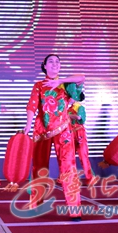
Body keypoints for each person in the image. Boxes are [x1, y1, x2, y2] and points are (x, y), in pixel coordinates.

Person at [24, 54, 85, 220]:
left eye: (57, 61)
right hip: (42, 130)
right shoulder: (38, 85)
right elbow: (32, 106)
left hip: (63, 129)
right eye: (50, 61)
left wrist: (60, 81)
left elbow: (82, 77)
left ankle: (74, 210)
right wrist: (28, 125)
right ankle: (36, 205)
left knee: (69, 167)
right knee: (39, 168)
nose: (54, 64)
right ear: (44, 66)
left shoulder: (66, 85)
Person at [67, 92, 94, 183]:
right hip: (71, 133)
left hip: (79, 133)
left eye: (70, 97)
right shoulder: (69, 108)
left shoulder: (79, 107)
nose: (69, 98)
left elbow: (79, 118)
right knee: (69, 156)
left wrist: (67, 116)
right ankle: (68, 177)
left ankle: (89, 178)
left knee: (83, 155)